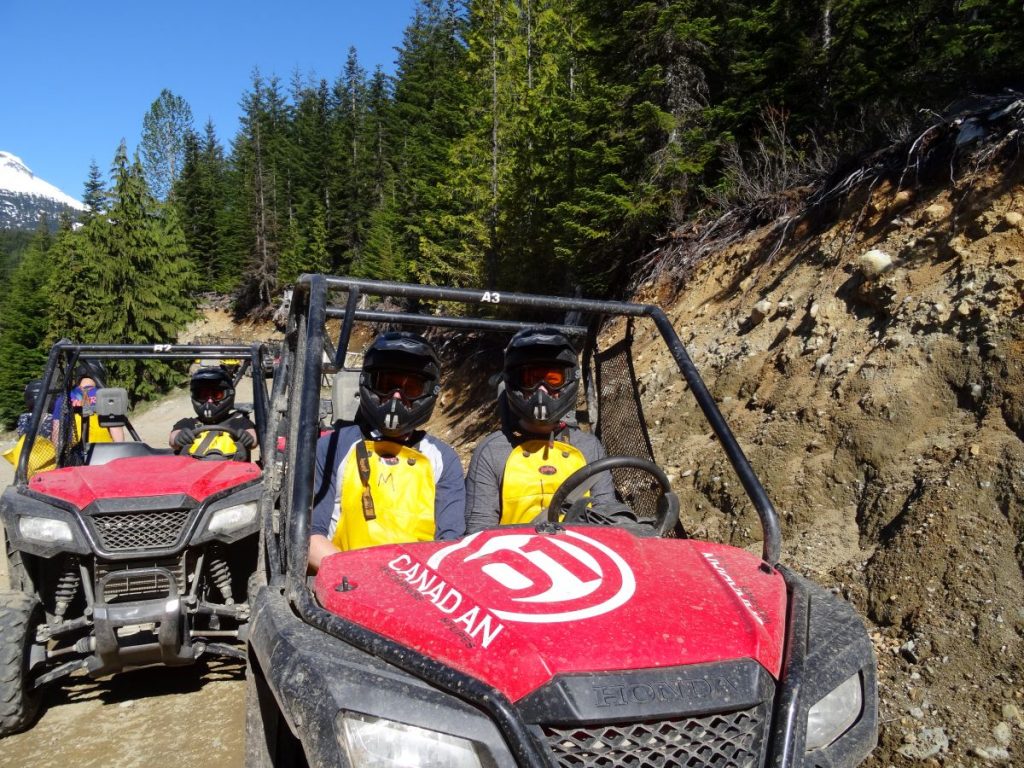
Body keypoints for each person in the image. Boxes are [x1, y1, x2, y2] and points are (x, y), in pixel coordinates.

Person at [309, 331, 465, 572]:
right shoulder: (332, 447)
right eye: (386, 384)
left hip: (419, 588)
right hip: (341, 582)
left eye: (410, 388)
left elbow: (449, 543)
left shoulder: (443, 458)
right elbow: (311, 536)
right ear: (368, 383)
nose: (396, 397)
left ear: (428, 392)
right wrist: (359, 578)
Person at [465, 326, 617, 532]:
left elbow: (607, 518)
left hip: (579, 556)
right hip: (511, 558)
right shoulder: (492, 451)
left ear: (568, 382)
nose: (542, 390)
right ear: (515, 384)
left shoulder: (589, 448)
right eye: (530, 380)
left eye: (553, 379)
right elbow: (478, 531)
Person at [169, 366, 257, 459]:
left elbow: (253, 439)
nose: (209, 401)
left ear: (228, 394)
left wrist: (247, 437)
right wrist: (178, 437)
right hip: (195, 472)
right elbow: (172, 439)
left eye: (216, 395)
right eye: (203, 395)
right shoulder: (187, 423)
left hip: (234, 471)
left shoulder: (240, 422)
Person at [51, 361, 125, 449]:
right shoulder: (107, 396)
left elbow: (56, 432)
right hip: (105, 452)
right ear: (100, 373)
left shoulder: (63, 399)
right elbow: (116, 431)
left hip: (75, 455)